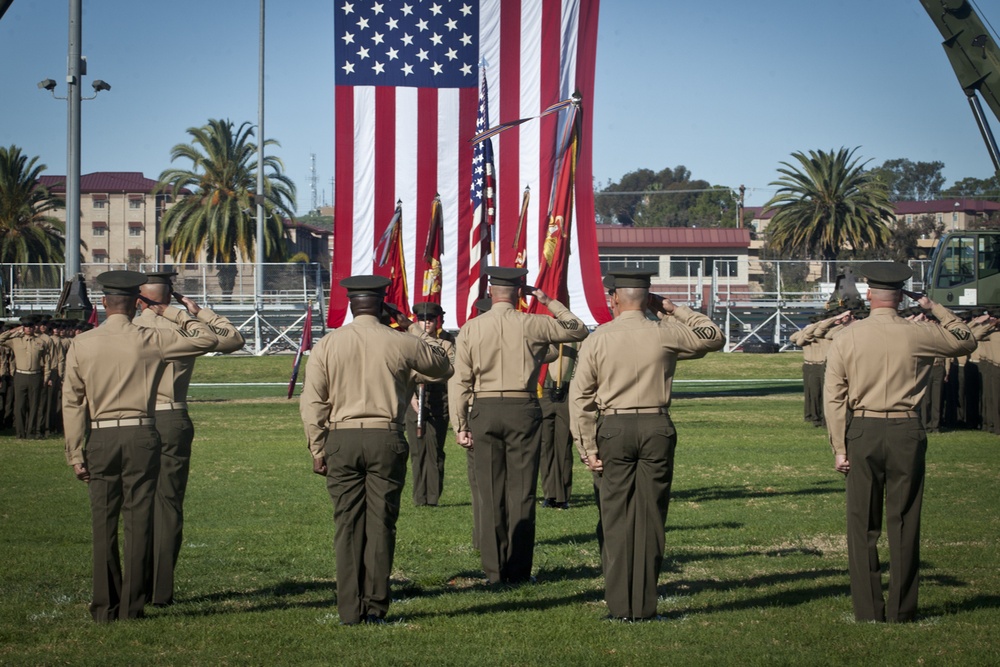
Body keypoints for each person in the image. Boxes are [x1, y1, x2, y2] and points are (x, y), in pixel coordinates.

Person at [824, 262, 976, 623]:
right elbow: (966, 339)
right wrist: (934, 308)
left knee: (862, 523)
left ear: (870, 295)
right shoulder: (918, 333)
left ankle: (867, 609)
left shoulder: (847, 336)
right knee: (905, 519)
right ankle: (902, 610)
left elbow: (834, 396)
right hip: (907, 429)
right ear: (900, 296)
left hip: (862, 429)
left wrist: (839, 447)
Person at [62, 270, 219, 622]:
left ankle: (105, 605)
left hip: (101, 435)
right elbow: (207, 338)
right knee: (139, 519)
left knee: (103, 521)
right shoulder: (150, 338)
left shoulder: (82, 343)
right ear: (135, 304)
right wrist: (173, 312)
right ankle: (133, 605)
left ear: (103, 304)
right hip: (143, 433)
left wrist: (75, 452)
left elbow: (72, 403)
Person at [570, 268, 724, 621]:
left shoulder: (599, 337)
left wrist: (587, 446)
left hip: (614, 427)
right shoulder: (665, 333)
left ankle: (619, 605)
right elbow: (713, 336)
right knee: (651, 516)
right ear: (647, 298)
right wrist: (672, 308)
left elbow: (580, 397)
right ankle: (645, 604)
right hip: (656, 425)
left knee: (615, 517)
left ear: (614, 299)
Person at [300, 275, 452, 625]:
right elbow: (443, 365)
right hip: (387, 437)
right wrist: (415, 330)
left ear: (352, 304)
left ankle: (349, 609)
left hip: (341, 437)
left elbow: (312, 401)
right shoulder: (400, 340)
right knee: (381, 523)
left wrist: (317, 447)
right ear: (383, 304)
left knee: (347, 525)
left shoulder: (328, 344)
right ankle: (376, 606)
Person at [452, 267, 588, 585]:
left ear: (490, 289)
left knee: (488, 491)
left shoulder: (471, 328)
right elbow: (578, 330)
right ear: (518, 293)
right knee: (522, 492)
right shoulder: (533, 323)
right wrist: (546, 299)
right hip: (523, 407)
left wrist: (460, 423)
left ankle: (493, 570)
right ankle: (518, 571)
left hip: (483, 408)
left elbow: (459, 381)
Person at [135, 271, 245, 607]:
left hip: (134, 417)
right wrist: (195, 311)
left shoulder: (129, 329)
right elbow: (231, 339)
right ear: (168, 299)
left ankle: (134, 584)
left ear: (139, 300)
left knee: (135, 504)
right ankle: (161, 590)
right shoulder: (181, 327)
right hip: (171, 415)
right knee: (168, 504)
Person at [405, 301, 455, 507]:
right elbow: (404, 369)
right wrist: (411, 396)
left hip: (437, 397)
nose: (426, 323)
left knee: (434, 449)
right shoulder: (408, 341)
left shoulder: (446, 342)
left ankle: (432, 497)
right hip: (413, 395)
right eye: (422, 319)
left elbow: (450, 368)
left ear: (438, 321)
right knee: (417, 451)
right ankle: (419, 497)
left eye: (431, 320)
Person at [538, 342, 578, 509]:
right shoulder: (541, 332)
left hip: (566, 392)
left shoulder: (574, 336)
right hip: (543, 391)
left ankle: (562, 495)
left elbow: (581, 364)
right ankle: (550, 494)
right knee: (545, 447)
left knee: (563, 447)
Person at [0, 315, 49, 439]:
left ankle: (30, 432)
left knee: (34, 406)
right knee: (20, 405)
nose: (28, 329)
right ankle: (20, 433)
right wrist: (14, 330)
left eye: (30, 326)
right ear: (23, 327)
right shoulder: (16, 340)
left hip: (35, 375)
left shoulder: (40, 342)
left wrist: (46, 377)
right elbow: (1, 339)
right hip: (21, 375)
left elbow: (47, 361)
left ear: (34, 327)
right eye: (26, 326)